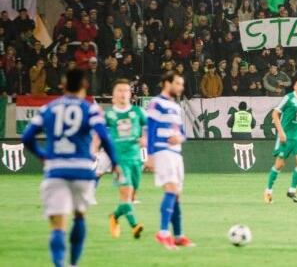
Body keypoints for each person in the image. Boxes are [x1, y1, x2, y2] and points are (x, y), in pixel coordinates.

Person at [21, 69, 120, 267]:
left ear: (63, 86)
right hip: (83, 171)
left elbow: (27, 137)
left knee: (58, 226)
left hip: (56, 170)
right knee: (79, 216)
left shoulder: (49, 108)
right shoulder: (90, 109)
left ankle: (59, 264)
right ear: (85, 87)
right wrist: (115, 163)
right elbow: (105, 137)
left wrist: (42, 155)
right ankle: (73, 263)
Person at [146, 71, 194, 249]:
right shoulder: (156, 103)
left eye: (182, 84)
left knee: (177, 196)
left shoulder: (175, 106)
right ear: (167, 83)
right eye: (178, 84)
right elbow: (150, 129)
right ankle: (163, 232)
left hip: (175, 152)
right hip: (162, 151)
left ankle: (179, 236)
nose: (181, 87)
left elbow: (181, 133)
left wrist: (179, 138)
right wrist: (150, 155)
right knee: (171, 189)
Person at [103, 79, 147, 239]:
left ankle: (114, 216)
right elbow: (98, 133)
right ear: (113, 95)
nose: (122, 93)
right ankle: (135, 226)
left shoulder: (138, 112)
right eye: (119, 90)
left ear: (130, 94)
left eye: (125, 90)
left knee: (131, 196)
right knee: (126, 194)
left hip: (135, 159)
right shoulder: (109, 115)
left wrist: (145, 138)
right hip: (119, 160)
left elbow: (148, 128)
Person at [264, 76, 297, 204]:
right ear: (294, 87)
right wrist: (280, 132)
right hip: (286, 137)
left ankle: (292, 190)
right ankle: (268, 191)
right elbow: (275, 113)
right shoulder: (289, 98)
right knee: (279, 165)